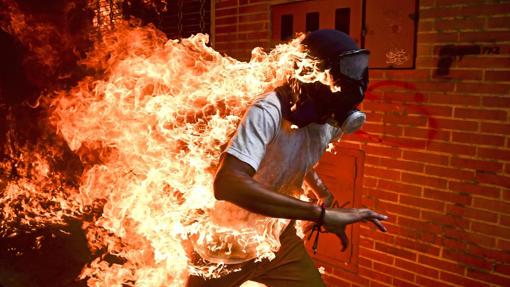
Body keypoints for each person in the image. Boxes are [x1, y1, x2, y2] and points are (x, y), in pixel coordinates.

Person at [187, 29, 388, 287]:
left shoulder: (329, 120)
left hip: (278, 240)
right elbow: (228, 182)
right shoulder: (267, 111)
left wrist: (324, 195)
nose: (333, 121)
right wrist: (320, 214)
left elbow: (297, 158)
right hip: (227, 247)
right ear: (311, 75)